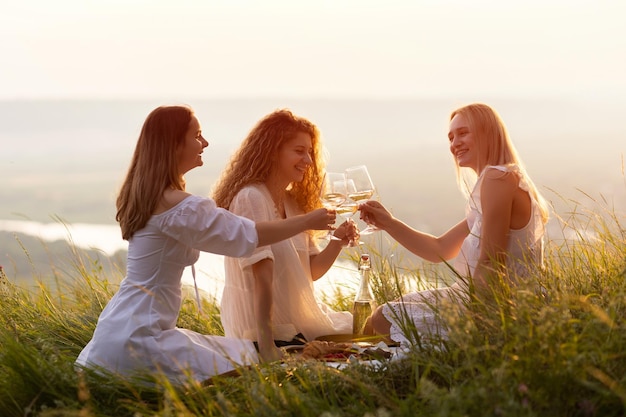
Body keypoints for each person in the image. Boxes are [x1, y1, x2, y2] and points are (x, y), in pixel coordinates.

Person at [75, 105, 335, 383]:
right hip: (141, 340)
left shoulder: (153, 197)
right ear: (174, 144)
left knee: (243, 352)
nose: (205, 143)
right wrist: (307, 221)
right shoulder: (181, 207)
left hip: (120, 328)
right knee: (252, 365)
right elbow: (250, 235)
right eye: (197, 135)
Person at [359, 103, 549, 345]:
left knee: (381, 322)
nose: (454, 143)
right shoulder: (498, 180)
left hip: (498, 304)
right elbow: (439, 249)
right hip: (473, 295)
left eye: (463, 133)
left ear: (487, 132)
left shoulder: (497, 178)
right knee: (380, 317)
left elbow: (491, 262)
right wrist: (389, 223)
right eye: (450, 137)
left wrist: (479, 323)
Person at [212, 109, 358, 362]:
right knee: (365, 337)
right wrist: (268, 347)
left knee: (374, 325)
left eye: (310, 152)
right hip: (265, 332)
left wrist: (337, 241)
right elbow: (262, 279)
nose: (309, 161)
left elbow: (310, 271)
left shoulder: (292, 202)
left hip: (298, 322)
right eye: (299, 151)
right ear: (272, 151)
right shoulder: (251, 197)